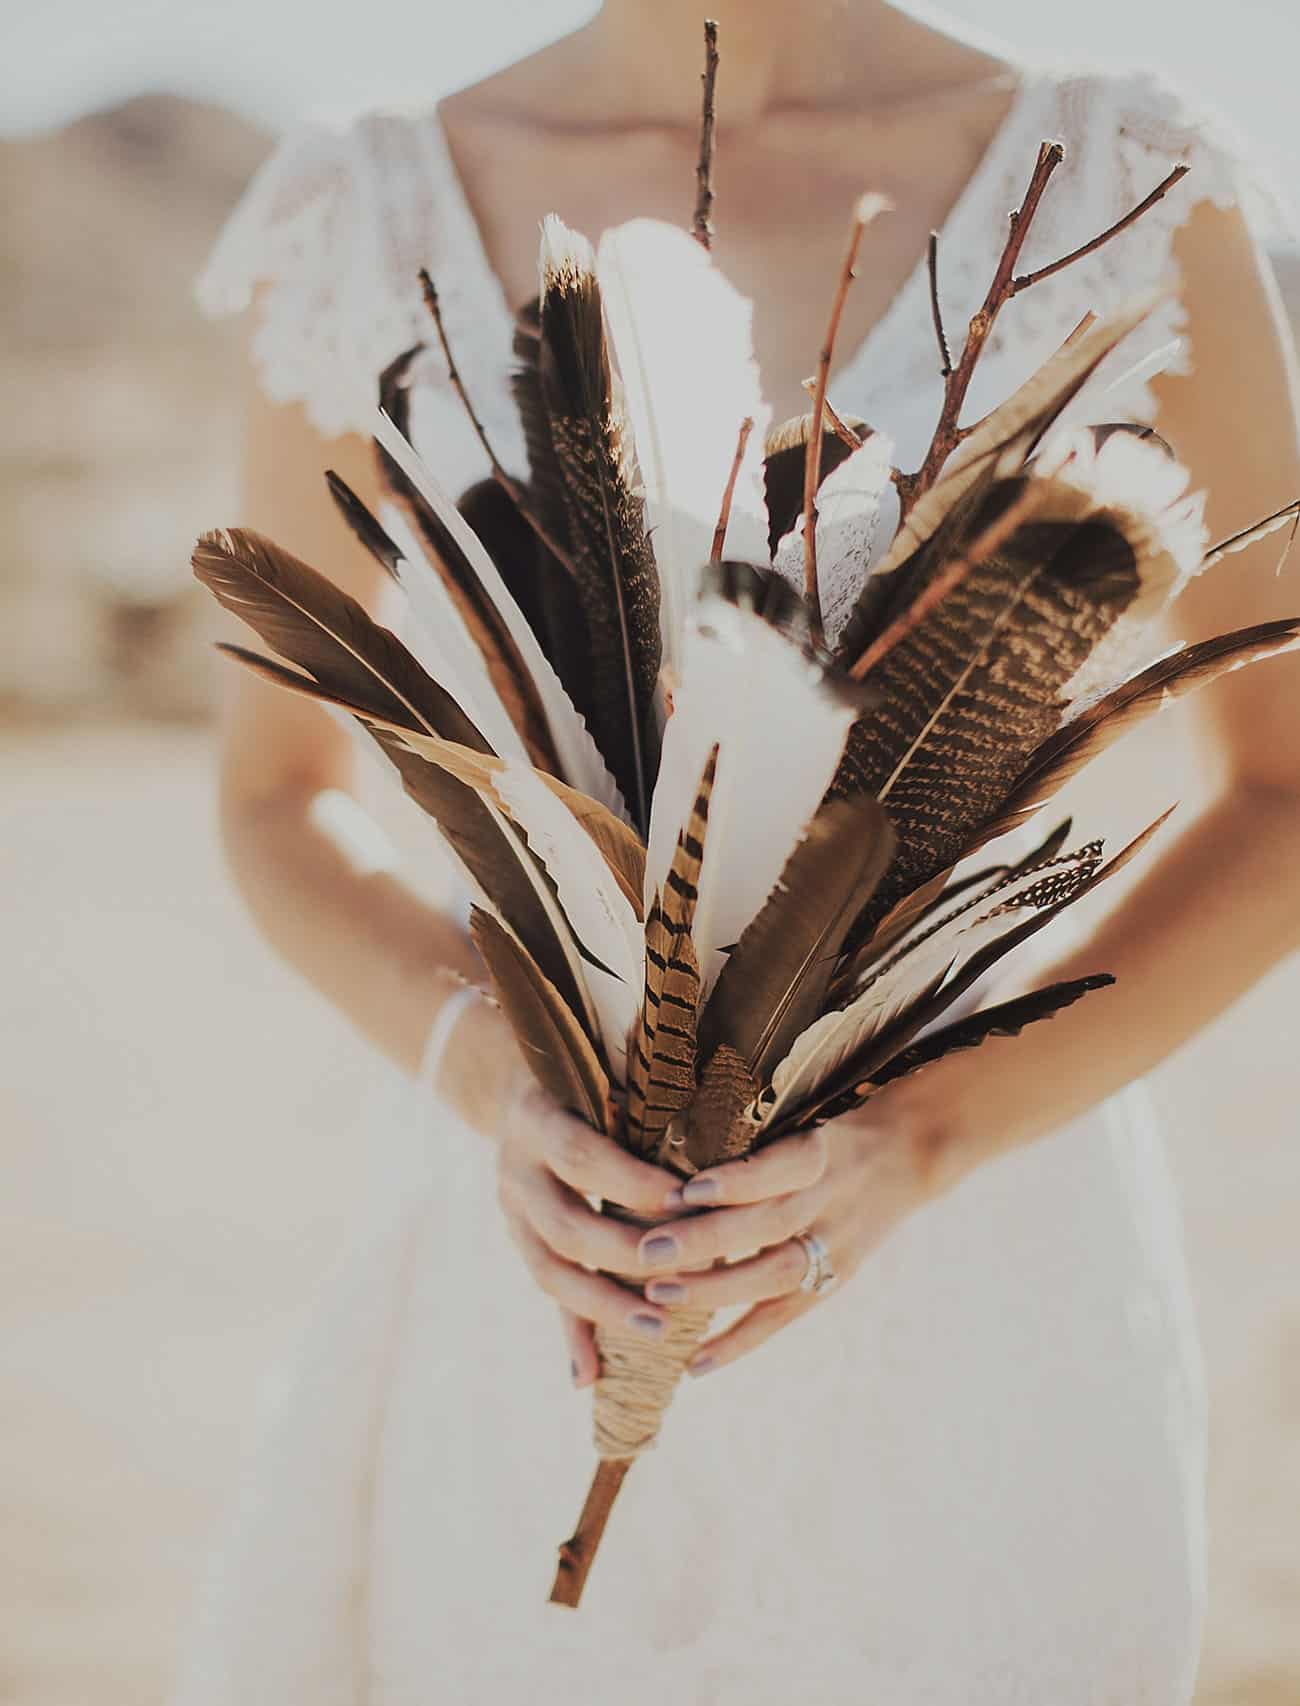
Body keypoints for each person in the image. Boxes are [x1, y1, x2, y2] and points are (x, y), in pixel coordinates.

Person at [177, 2, 1300, 1701]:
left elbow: (1285, 786)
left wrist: (919, 1141)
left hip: (987, 1276)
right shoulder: (368, 214)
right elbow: (275, 794)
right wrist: (497, 1072)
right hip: (540, 1278)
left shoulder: (1132, 184)